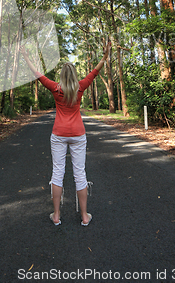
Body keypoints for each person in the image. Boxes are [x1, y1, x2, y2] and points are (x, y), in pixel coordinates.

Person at [20, 40, 111, 227]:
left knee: (58, 173)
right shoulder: (81, 86)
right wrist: (105, 55)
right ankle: (85, 216)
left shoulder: (55, 88)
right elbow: (96, 70)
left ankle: (56, 215)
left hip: (59, 134)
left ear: (61, 75)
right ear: (75, 75)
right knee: (79, 173)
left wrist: (26, 57)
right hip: (78, 134)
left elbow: (38, 74)